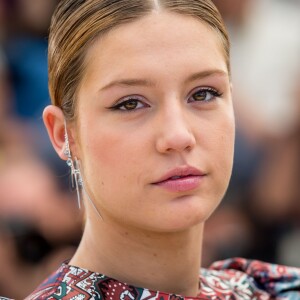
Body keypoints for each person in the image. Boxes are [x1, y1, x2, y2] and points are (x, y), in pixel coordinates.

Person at [2, 0, 299, 299]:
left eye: (204, 93)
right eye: (130, 103)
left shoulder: (275, 289)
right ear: (64, 133)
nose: (178, 135)